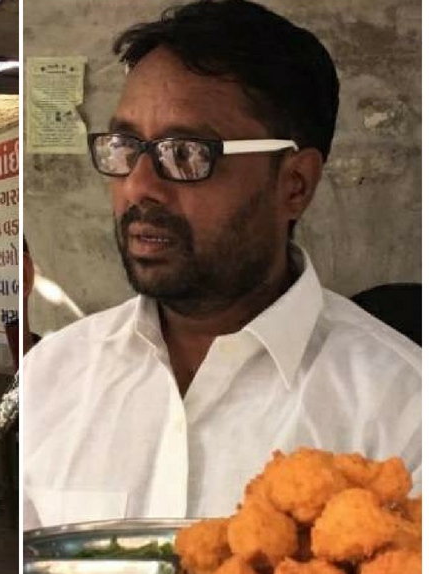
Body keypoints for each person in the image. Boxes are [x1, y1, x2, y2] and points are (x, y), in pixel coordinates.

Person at [22, 0, 421, 528]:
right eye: (125, 147)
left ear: (294, 184)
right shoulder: (52, 378)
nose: (139, 186)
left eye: (185, 153)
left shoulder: (404, 409)